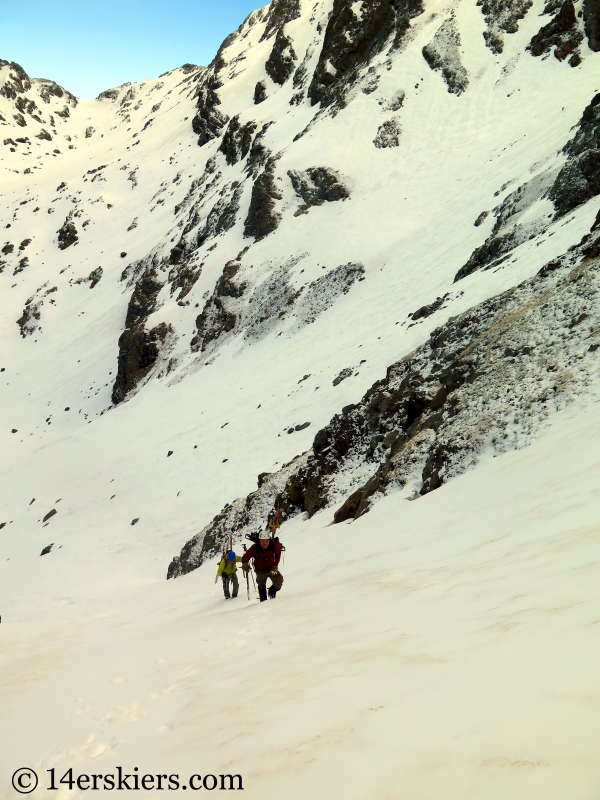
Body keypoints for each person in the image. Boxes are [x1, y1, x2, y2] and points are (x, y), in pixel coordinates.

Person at [242, 530, 283, 602]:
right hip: (260, 570)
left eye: (266, 541)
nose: (265, 543)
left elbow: (278, 553)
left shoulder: (273, 545)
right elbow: (246, 556)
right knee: (261, 585)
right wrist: (245, 563)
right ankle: (263, 600)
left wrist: (275, 565)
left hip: (271, 568)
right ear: (259, 541)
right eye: (263, 541)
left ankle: (271, 592)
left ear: (269, 540)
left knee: (279, 582)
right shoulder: (255, 547)